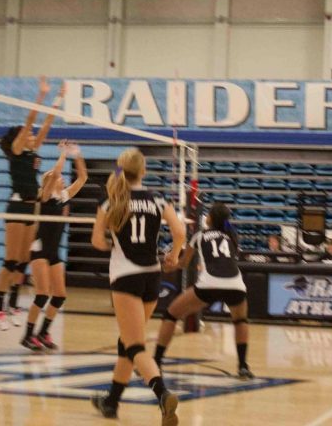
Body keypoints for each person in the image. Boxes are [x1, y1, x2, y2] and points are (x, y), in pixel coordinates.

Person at [90, 148, 185, 425]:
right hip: (152, 276)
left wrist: (111, 244)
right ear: (143, 171)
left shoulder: (111, 201)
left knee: (135, 344)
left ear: (121, 170)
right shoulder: (157, 199)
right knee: (127, 342)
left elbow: (97, 241)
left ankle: (162, 393)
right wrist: (174, 255)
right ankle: (111, 402)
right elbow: (179, 233)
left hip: (125, 276)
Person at [0, 78, 63, 331]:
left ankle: (12, 303)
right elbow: (32, 121)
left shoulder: (34, 149)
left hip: (34, 207)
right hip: (17, 206)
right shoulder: (18, 149)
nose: (32, 135)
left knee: (22, 262)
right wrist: (41, 95)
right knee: (10, 260)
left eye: (31, 135)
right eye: (27, 134)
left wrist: (58, 99)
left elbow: (46, 124)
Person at [153, 202, 253, 380]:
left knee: (171, 314)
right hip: (235, 284)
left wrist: (168, 267)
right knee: (241, 321)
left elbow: (183, 264)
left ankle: (156, 362)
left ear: (211, 218)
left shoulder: (199, 235)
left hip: (210, 283)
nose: (205, 217)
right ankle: (243, 366)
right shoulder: (231, 237)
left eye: (207, 215)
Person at [21, 141, 87, 352]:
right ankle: (27, 335)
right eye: (58, 177)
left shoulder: (63, 197)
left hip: (53, 252)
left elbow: (83, 178)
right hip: (39, 250)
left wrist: (77, 155)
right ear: (51, 181)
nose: (62, 178)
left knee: (59, 296)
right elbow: (55, 172)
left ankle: (42, 333)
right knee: (42, 295)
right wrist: (62, 155)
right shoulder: (46, 196)